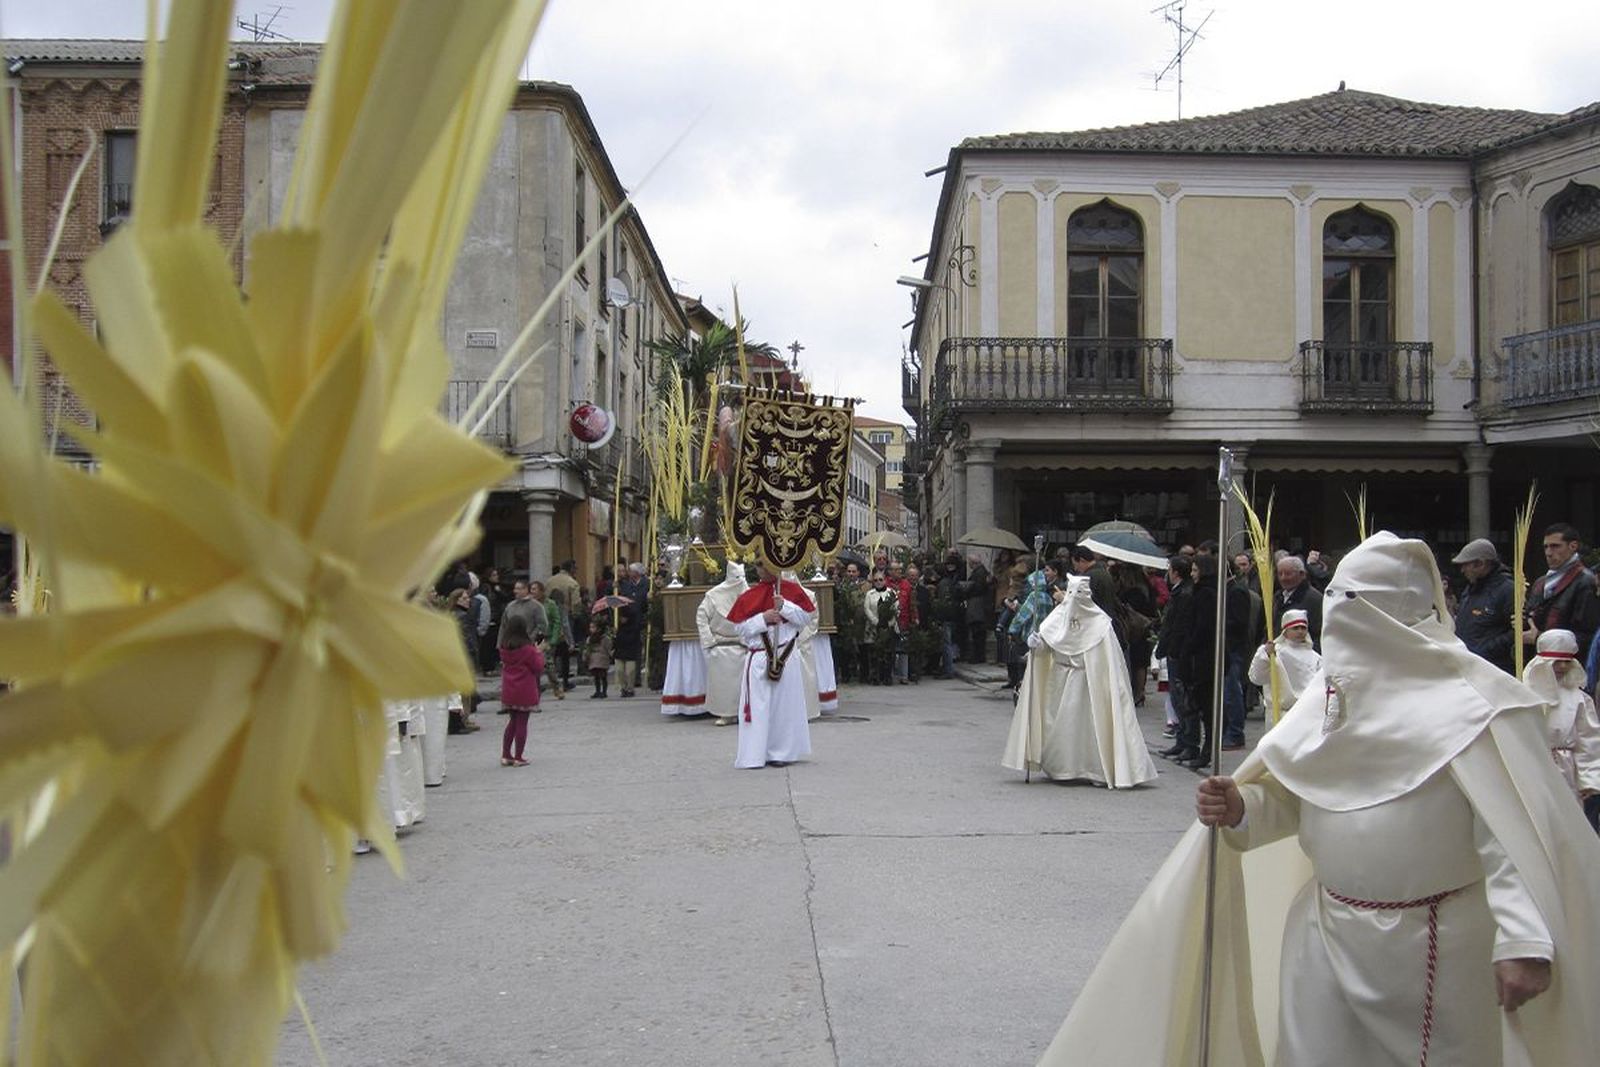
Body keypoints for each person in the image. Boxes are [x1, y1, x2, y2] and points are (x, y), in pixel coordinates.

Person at [1040, 531, 1600, 1066]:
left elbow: (1511, 836)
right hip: (1325, 930)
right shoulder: (1334, 694)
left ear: (1389, 615)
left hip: (1433, 945)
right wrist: (1243, 810)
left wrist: (1523, 939)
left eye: (1353, 604)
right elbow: (1303, 794)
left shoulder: (1477, 706)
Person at [1003, 576, 1158, 788]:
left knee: (1091, 725)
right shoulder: (1058, 617)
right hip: (1060, 680)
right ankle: (1062, 767)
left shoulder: (1100, 623)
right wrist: (1036, 644)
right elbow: (1048, 643)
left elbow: (1109, 662)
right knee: (1061, 724)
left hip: (1090, 683)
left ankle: (1096, 768)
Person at [727, 568, 816, 768]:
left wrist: (784, 607)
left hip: (786, 656)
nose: (763, 569)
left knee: (784, 708)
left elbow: (806, 619)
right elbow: (740, 631)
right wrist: (763, 619)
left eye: (767, 564)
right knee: (758, 708)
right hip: (759, 658)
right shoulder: (749, 596)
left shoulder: (791, 591)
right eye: (759, 564)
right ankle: (755, 754)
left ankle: (782, 752)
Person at [1522, 629, 1600, 828]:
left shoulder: (1580, 699)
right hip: (1534, 764)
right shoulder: (1523, 695)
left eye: (1567, 662)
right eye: (1557, 661)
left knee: (1568, 823)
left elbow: (1588, 740)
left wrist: (1589, 778)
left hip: (1566, 769)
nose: (1563, 667)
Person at [1523, 523, 1599, 659]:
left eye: (1555, 546)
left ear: (1573, 546)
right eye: (1545, 547)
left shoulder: (1586, 582)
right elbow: (1531, 617)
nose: (1548, 553)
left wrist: (1540, 638)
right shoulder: (1541, 583)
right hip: (1538, 660)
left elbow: (1587, 635)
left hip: (1567, 664)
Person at [697, 560, 751, 725]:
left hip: (743, 646)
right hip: (720, 647)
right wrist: (709, 641)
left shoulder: (748, 594)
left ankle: (743, 712)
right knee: (723, 685)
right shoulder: (714, 596)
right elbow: (701, 617)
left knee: (743, 685)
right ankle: (725, 713)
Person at [1452, 537, 1517, 674]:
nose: (1462, 570)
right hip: (1468, 663)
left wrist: (1485, 649)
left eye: (1465, 565)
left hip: (1494, 668)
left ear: (1480, 564)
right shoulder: (1470, 589)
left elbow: (1518, 631)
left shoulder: (1508, 590)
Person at [1246, 608, 1320, 719]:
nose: (1300, 631)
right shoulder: (1273, 652)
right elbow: (1256, 678)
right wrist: (1265, 655)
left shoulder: (1316, 658)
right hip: (1279, 715)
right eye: (1295, 628)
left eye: (1303, 628)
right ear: (1285, 631)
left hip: (1306, 714)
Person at [496, 614, 543, 767]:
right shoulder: (528, 649)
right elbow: (538, 667)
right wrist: (539, 651)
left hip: (509, 689)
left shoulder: (504, 647)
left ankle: (506, 754)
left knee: (512, 721)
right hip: (524, 689)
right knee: (522, 722)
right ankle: (518, 756)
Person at [1272, 553, 1324, 649]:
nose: (1283, 578)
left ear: (1302, 574)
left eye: (1288, 574)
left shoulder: (1314, 599)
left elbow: (1319, 633)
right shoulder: (1278, 597)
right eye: (1280, 574)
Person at [862, 569, 898, 685]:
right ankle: (875, 676)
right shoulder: (869, 594)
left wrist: (889, 623)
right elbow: (867, 609)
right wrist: (876, 622)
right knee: (873, 653)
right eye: (876, 580)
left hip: (888, 628)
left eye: (880, 579)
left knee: (888, 653)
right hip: (873, 628)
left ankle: (887, 676)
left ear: (885, 580)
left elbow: (896, 609)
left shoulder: (891, 593)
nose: (878, 582)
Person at [964, 554, 993, 663]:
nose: (969, 565)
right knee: (978, 632)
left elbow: (977, 588)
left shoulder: (979, 573)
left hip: (978, 606)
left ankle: (978, 656)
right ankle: (979, 655)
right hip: (979, 606)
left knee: (978, 632)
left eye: (970, 563)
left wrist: (967, 588)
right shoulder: (981, 572)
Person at [584, 618, 613, 698]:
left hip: (602, 660)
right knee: (597, 677)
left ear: (599, 628)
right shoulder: (590, 638)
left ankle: (603, 691)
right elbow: (587, 649)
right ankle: (598, 691)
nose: (591, 629)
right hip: (593, 660)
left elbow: (608, 648)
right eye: (590, 627)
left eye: (593, 627)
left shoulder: (604, 638)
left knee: (602, 676)